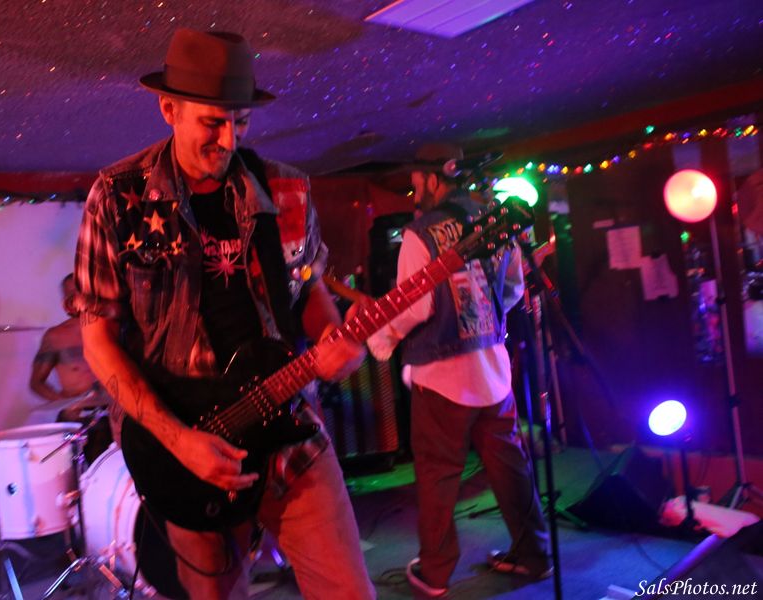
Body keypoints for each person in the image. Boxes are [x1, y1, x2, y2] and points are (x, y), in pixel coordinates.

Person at [73, 28, 375, 599]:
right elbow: (98, 342)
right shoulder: (117, 197)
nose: (229, 139)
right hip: (186, 445)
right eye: (213, 123)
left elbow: (309, 290)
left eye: (241, 121)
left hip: (288, 427)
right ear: (169, 109)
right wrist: (178, 439)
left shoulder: (286, 189)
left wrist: (336, 339)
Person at [367, 143, 550, 597]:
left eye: (416, 183)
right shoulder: (496, 220)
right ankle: (534, 554)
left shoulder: (420, 234)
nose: (414, 193)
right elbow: (513, 290)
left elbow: (415, 306)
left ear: (433, 180)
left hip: (442, 377)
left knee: (437, 475)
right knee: (510, 465)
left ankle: (435, 574)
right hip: (492, 372)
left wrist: (380, 338)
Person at [29, 273, 122, 458]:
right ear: (64, 301)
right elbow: (36, 382)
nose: (75, 299)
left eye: (80, 292)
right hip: (76, 418)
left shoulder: (114, 328)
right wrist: (64, 401)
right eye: (70, 294)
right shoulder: (56, 337)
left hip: (112, 414)